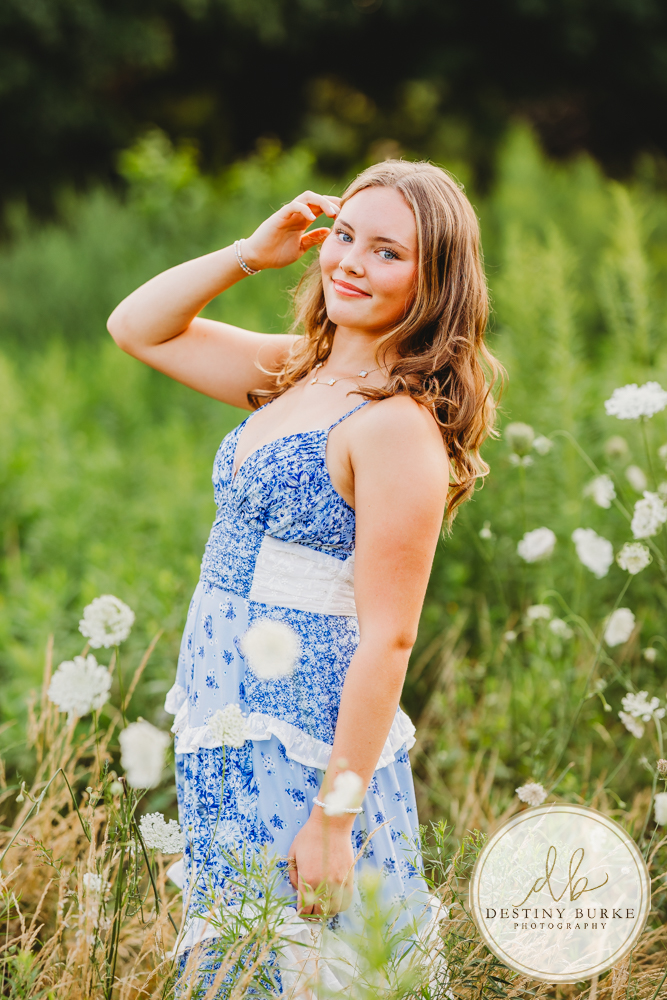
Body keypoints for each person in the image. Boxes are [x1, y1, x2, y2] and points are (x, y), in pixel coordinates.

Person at [107, 159, 500, 994]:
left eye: (387, 252)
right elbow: (136, 326)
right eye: (346, 236)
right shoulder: (296, 373)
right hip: (227, 713)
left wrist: (333, 815)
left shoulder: (394, 426)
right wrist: (250, 253)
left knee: (311, 960)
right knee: (245, 950)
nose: (351, 262)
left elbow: (389, 636)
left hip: (302, 730)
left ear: (435, 282)